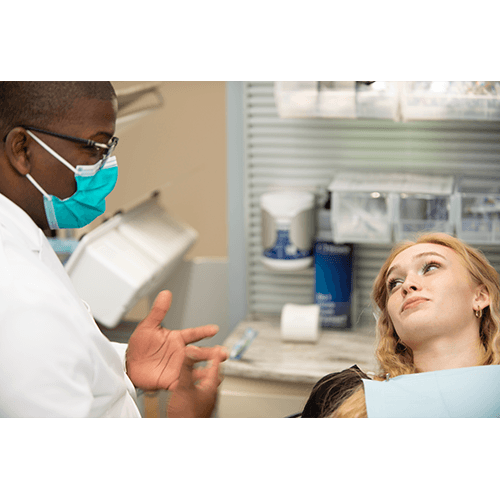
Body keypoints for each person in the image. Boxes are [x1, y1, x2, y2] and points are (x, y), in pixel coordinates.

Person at [0, 81, 227, 418]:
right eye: (94, 148)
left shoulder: (21, 240)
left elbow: (63, 360)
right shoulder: (24, 300)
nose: (106, 166)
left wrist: (121, 362)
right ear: (22, 149)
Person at [301, 232, 500, 418]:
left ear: (480, 297)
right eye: (394, 283)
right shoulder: (340, 394)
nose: (407, 285)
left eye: (430, 267)